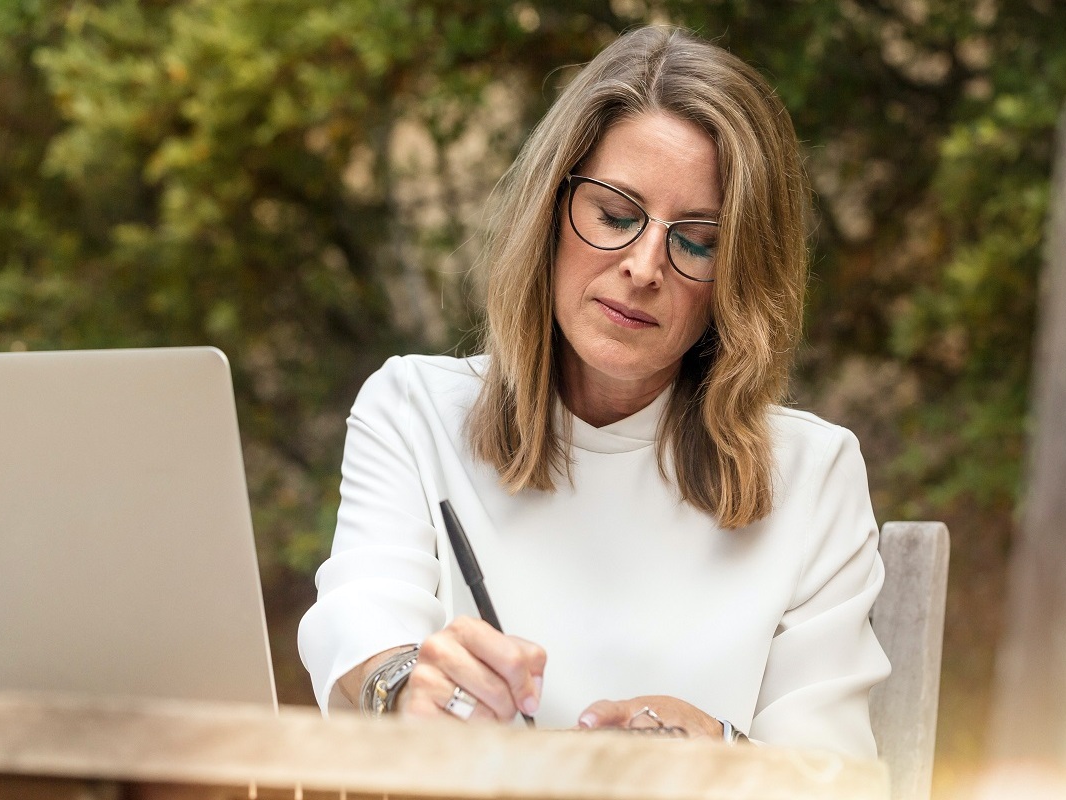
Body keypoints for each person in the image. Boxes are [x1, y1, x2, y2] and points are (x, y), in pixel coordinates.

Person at [298, 25, 890, 758]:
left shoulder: (813, 474)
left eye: (697, 240)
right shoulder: (415, 411)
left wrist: (725, 755)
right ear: (552, 209)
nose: (645, 267)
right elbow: (364, 621)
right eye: (615, 215)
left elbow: (834, 773)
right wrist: (405, 684)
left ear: (738, 277)